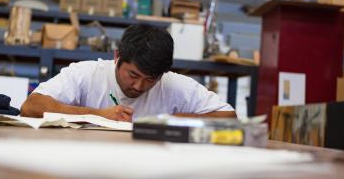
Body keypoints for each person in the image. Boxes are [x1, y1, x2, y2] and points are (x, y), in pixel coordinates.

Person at [21, 24, 236, 122]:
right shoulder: (87, 74)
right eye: (133, 75)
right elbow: (31, 107)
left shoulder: (174, 85)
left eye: (150, 79)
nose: (139, 86)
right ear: (117, 57)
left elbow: (229, 117)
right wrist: (98, 116)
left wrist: (172, 120)